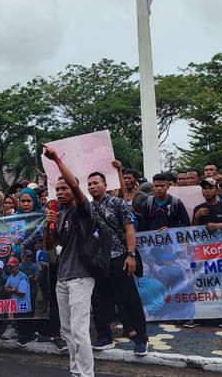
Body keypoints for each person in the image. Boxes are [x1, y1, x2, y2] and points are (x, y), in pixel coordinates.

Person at [43, 145, 95, 377]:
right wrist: (49, 223)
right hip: (62, 278)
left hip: (81, 277)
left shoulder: (84, 210)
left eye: (64, 188)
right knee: (67, 330)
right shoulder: (61, 214)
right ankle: (75, 370)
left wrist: (56, 160)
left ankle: (86, 374)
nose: (61, 192)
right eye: (58, 189)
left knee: (79, 330)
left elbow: (75, 183)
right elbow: (49, 246)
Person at [88, 167, 148, 356]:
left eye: (95, 183)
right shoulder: (87, 208)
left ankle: (141, 338)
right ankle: (104, 336)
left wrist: (130, 255)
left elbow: (129, 228)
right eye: (89, 184)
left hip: (120, 257)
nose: (92, 187)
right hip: (98, 261)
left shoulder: (118, 203)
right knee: (100, 300)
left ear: (105, 185)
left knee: (129, 298)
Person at [5, 257, 36, 347]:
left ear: (17, 266)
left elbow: (21, 293)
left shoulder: (22, 277)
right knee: (20, 323)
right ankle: (26, 336)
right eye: (9, 266)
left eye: (12, 266)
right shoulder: (11, 277)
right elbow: (6, 288)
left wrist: (12, 290)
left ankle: (29, 337)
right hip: (16, 303)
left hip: (24, 304)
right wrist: (14, 289)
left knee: (25, 322)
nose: (10, 268)